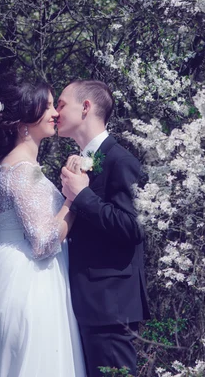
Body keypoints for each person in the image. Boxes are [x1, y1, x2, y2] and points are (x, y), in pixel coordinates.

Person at [0, 73, 85, 377]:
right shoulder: (23, 169)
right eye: (49, 106)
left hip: (7, 272)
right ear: (26, 118)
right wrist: (74, 199)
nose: (56, 113)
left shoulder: (11, 165)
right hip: (30, 282)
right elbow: (43, 242)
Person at [57, 79, 150, 377]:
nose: (56, 112)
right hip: (85, 303)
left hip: (110, 306)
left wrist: (82, 196)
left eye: (61, 104)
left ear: (85, 108)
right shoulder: (80, 161)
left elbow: (133, 227)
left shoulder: (121, 161)